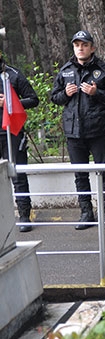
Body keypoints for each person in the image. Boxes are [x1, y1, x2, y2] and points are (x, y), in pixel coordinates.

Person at [51, 30, 105, 230]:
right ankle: (86, 213)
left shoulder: (103, 69)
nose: (80, 48)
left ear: (92, 47)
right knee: (80, 174)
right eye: (77, 45)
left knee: (102, 171)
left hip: (97, 131)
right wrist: (65, 94)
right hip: (74, 132)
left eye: (84, 45)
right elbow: (54, 98)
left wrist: (96, 92)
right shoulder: (65, 70)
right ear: (74, 48)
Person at [0, 51, 39, 232]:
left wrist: (10, 102)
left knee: (18, 175)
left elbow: (33, 99)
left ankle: (24, 215)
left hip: (12, 132)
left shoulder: (12, 75)